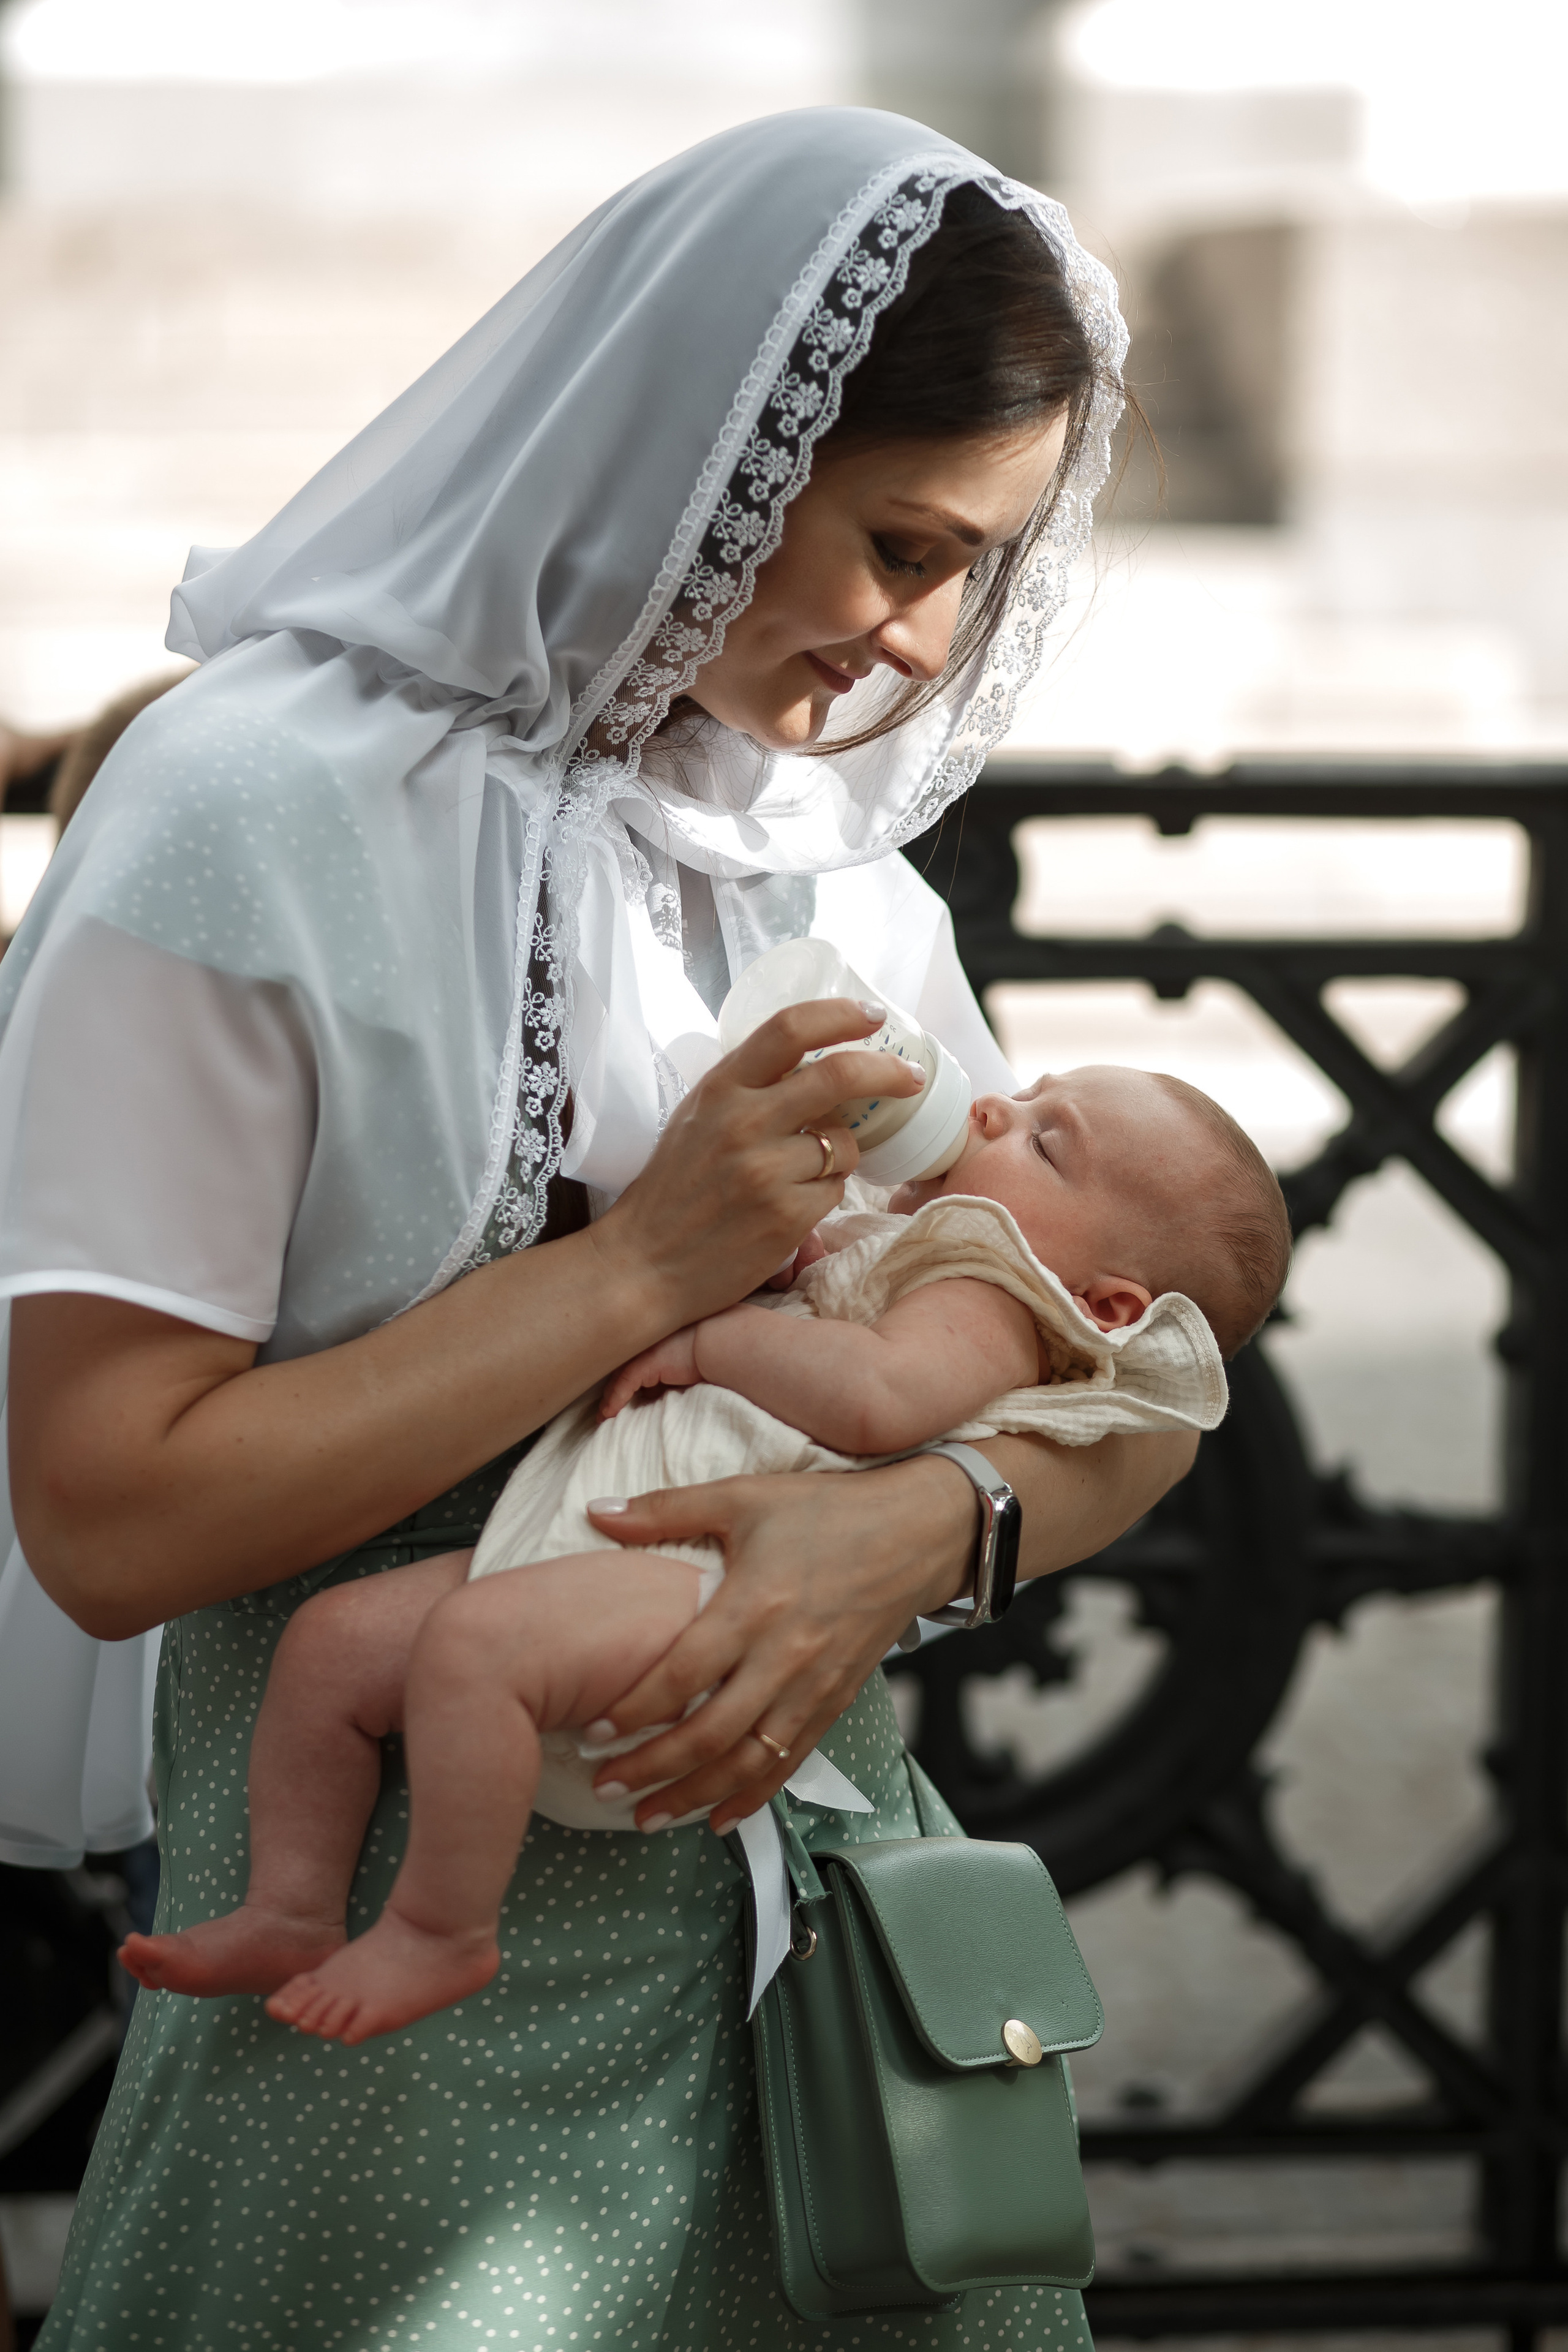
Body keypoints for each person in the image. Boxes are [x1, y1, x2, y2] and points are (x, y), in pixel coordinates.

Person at [2, 111, 1200, 2348]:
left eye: (984, 576)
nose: (919, 646)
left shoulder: (829, 873)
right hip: (392, 2030)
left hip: (843, 2011)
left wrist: (929, 1527)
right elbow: (102, 1514)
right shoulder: (243, 820)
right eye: (893, 544)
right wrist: (640, 1273)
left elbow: (1123, 1365)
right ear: (706, 449)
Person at [116, 1066, 1286, 2046]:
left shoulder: (993, 1290)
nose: (989, 1111)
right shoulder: (933, 1242)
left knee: (476, 1647)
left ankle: (437, 1931)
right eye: (1024, 1097)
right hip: (615, 1545)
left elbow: (880, 1398)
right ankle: (291, 1903)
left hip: (705, 1587)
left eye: (1045, 1140)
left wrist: (709, 1337)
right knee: (334, 1646)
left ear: (1111, 1305)